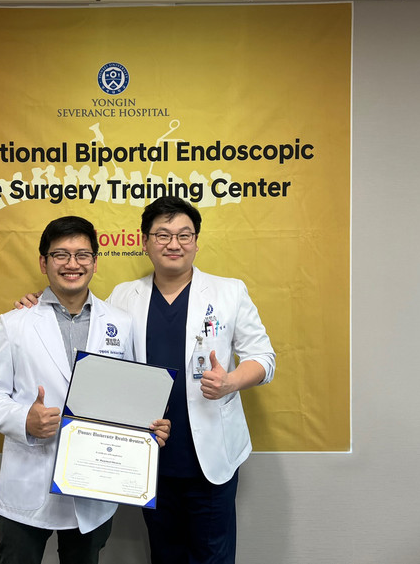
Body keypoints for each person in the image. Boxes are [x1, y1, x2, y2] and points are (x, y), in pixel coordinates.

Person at [17, 197, 275, 564]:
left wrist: (231, 382)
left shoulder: (229, 292)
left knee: (213, 555)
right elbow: (88, 328)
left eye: (184, 235)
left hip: (211, 455)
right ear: (145, 242)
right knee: (164, 554)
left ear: (196, 242)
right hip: (146, 454)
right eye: (163, 235)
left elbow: (263, 358)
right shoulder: (124, 296)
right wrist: (40, 305)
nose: (174, 244)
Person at [0, 215, 171, 564]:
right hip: (30, 481)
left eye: (82, 255)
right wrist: (24, 420)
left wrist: (150, 428)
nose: (72, 264)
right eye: (60, 255)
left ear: (95, 262)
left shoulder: (120, 323)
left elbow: (134, 394)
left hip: (94, 482)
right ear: (44, 262)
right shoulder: (14, 324)